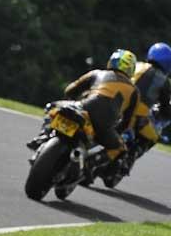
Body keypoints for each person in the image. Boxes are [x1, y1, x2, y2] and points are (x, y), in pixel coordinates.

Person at [29, 49, 139, 179]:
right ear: (131, 69)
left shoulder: (97, 73)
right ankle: (90, 164)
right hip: (104, 125)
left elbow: (70, 90)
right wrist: (116, 131)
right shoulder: (134, 91)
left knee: (52, 107)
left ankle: (43, 136)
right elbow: (128, 121)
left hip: (84, 109)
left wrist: (74, 100)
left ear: (111, 62)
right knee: (119, 149)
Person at [121, 43, 171, 171]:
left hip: (119, 104)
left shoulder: (136, 65)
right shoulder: (164, 81)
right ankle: (131, 156)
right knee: (154, 136)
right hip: (138, 115)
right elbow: (165, 105)